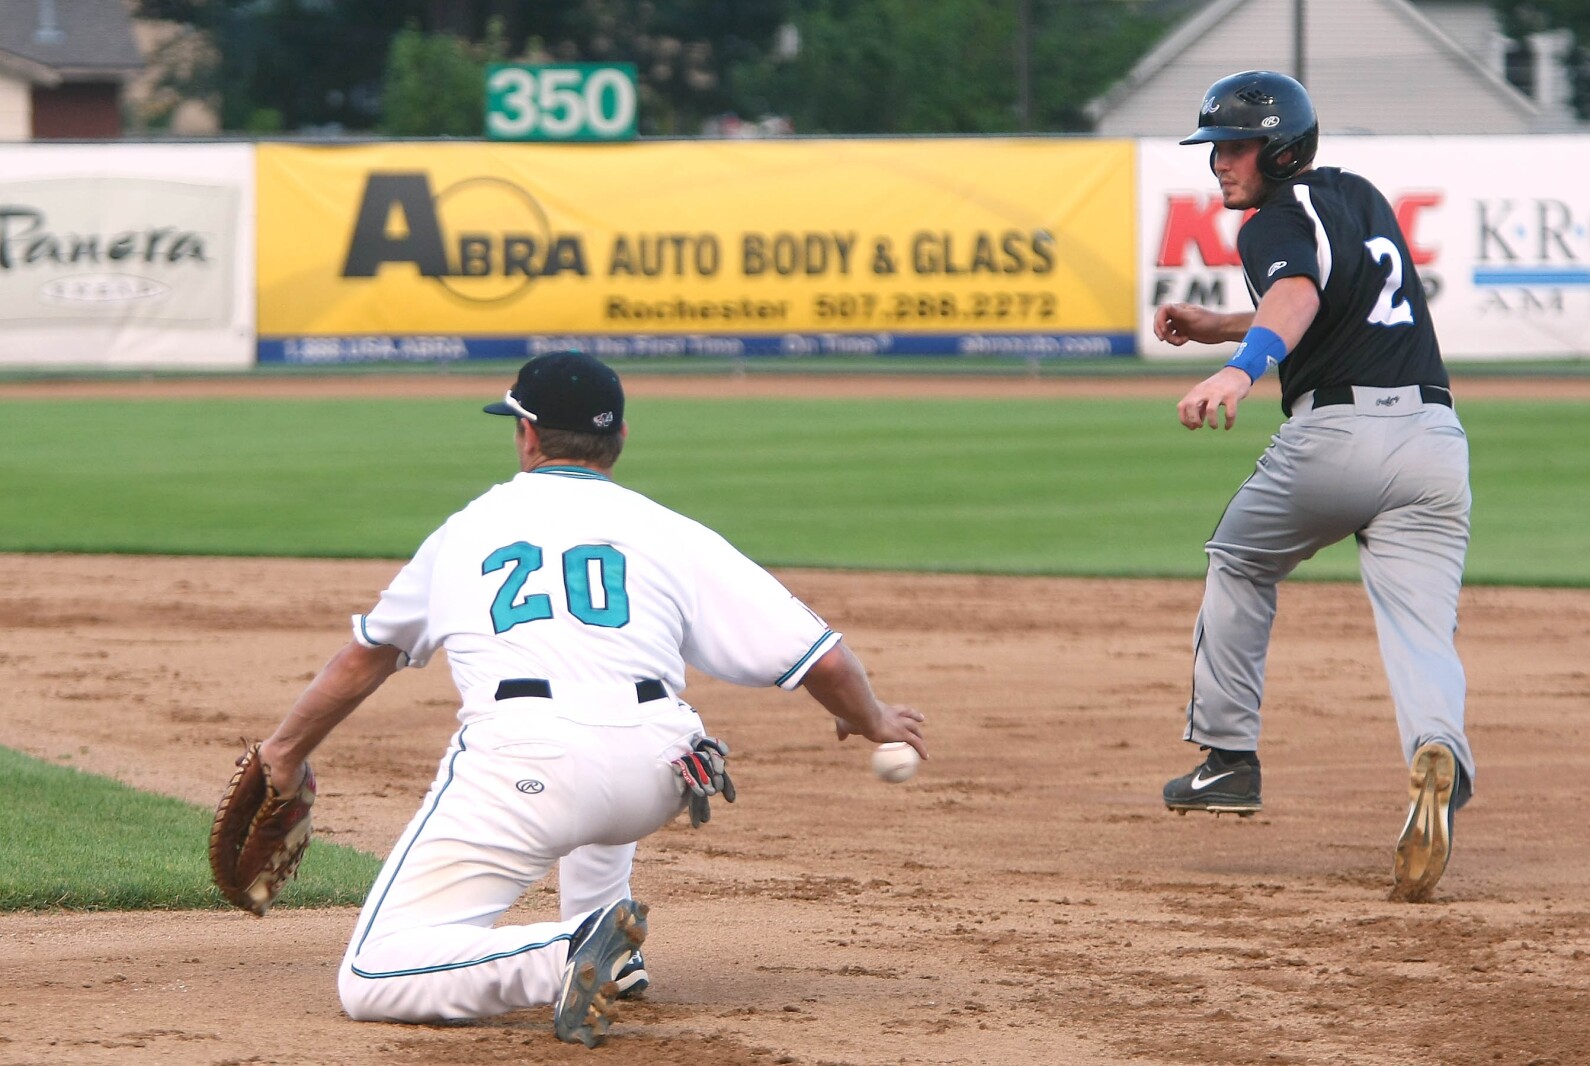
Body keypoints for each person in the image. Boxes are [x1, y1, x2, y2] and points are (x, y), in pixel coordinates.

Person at [251, 350, 928, 1046]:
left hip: (526, 770)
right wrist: (869, 719)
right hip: (663, 770)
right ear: (621, 438)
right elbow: (825, 658)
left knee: (372, 975)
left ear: (527, 436)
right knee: (613, 747)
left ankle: (563, 953)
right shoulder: (670, 531)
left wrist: (283, 752)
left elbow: (367, 658)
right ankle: (615, 952)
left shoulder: (467, 531)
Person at [1152, 71, 1473, 903]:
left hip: (1337, 438)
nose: (1219, 161)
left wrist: (1240, 367)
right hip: (1435, 444)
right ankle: (1439, 751)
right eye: (1213, 148)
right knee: (1422, 628)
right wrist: (1220, 324)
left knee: (1239, 560)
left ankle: (1227, 761)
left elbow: (1295, 295)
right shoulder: (1359, 199)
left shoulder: (1274, 221)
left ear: (1281, 148)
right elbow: (1332, 305)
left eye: (1234, 145)